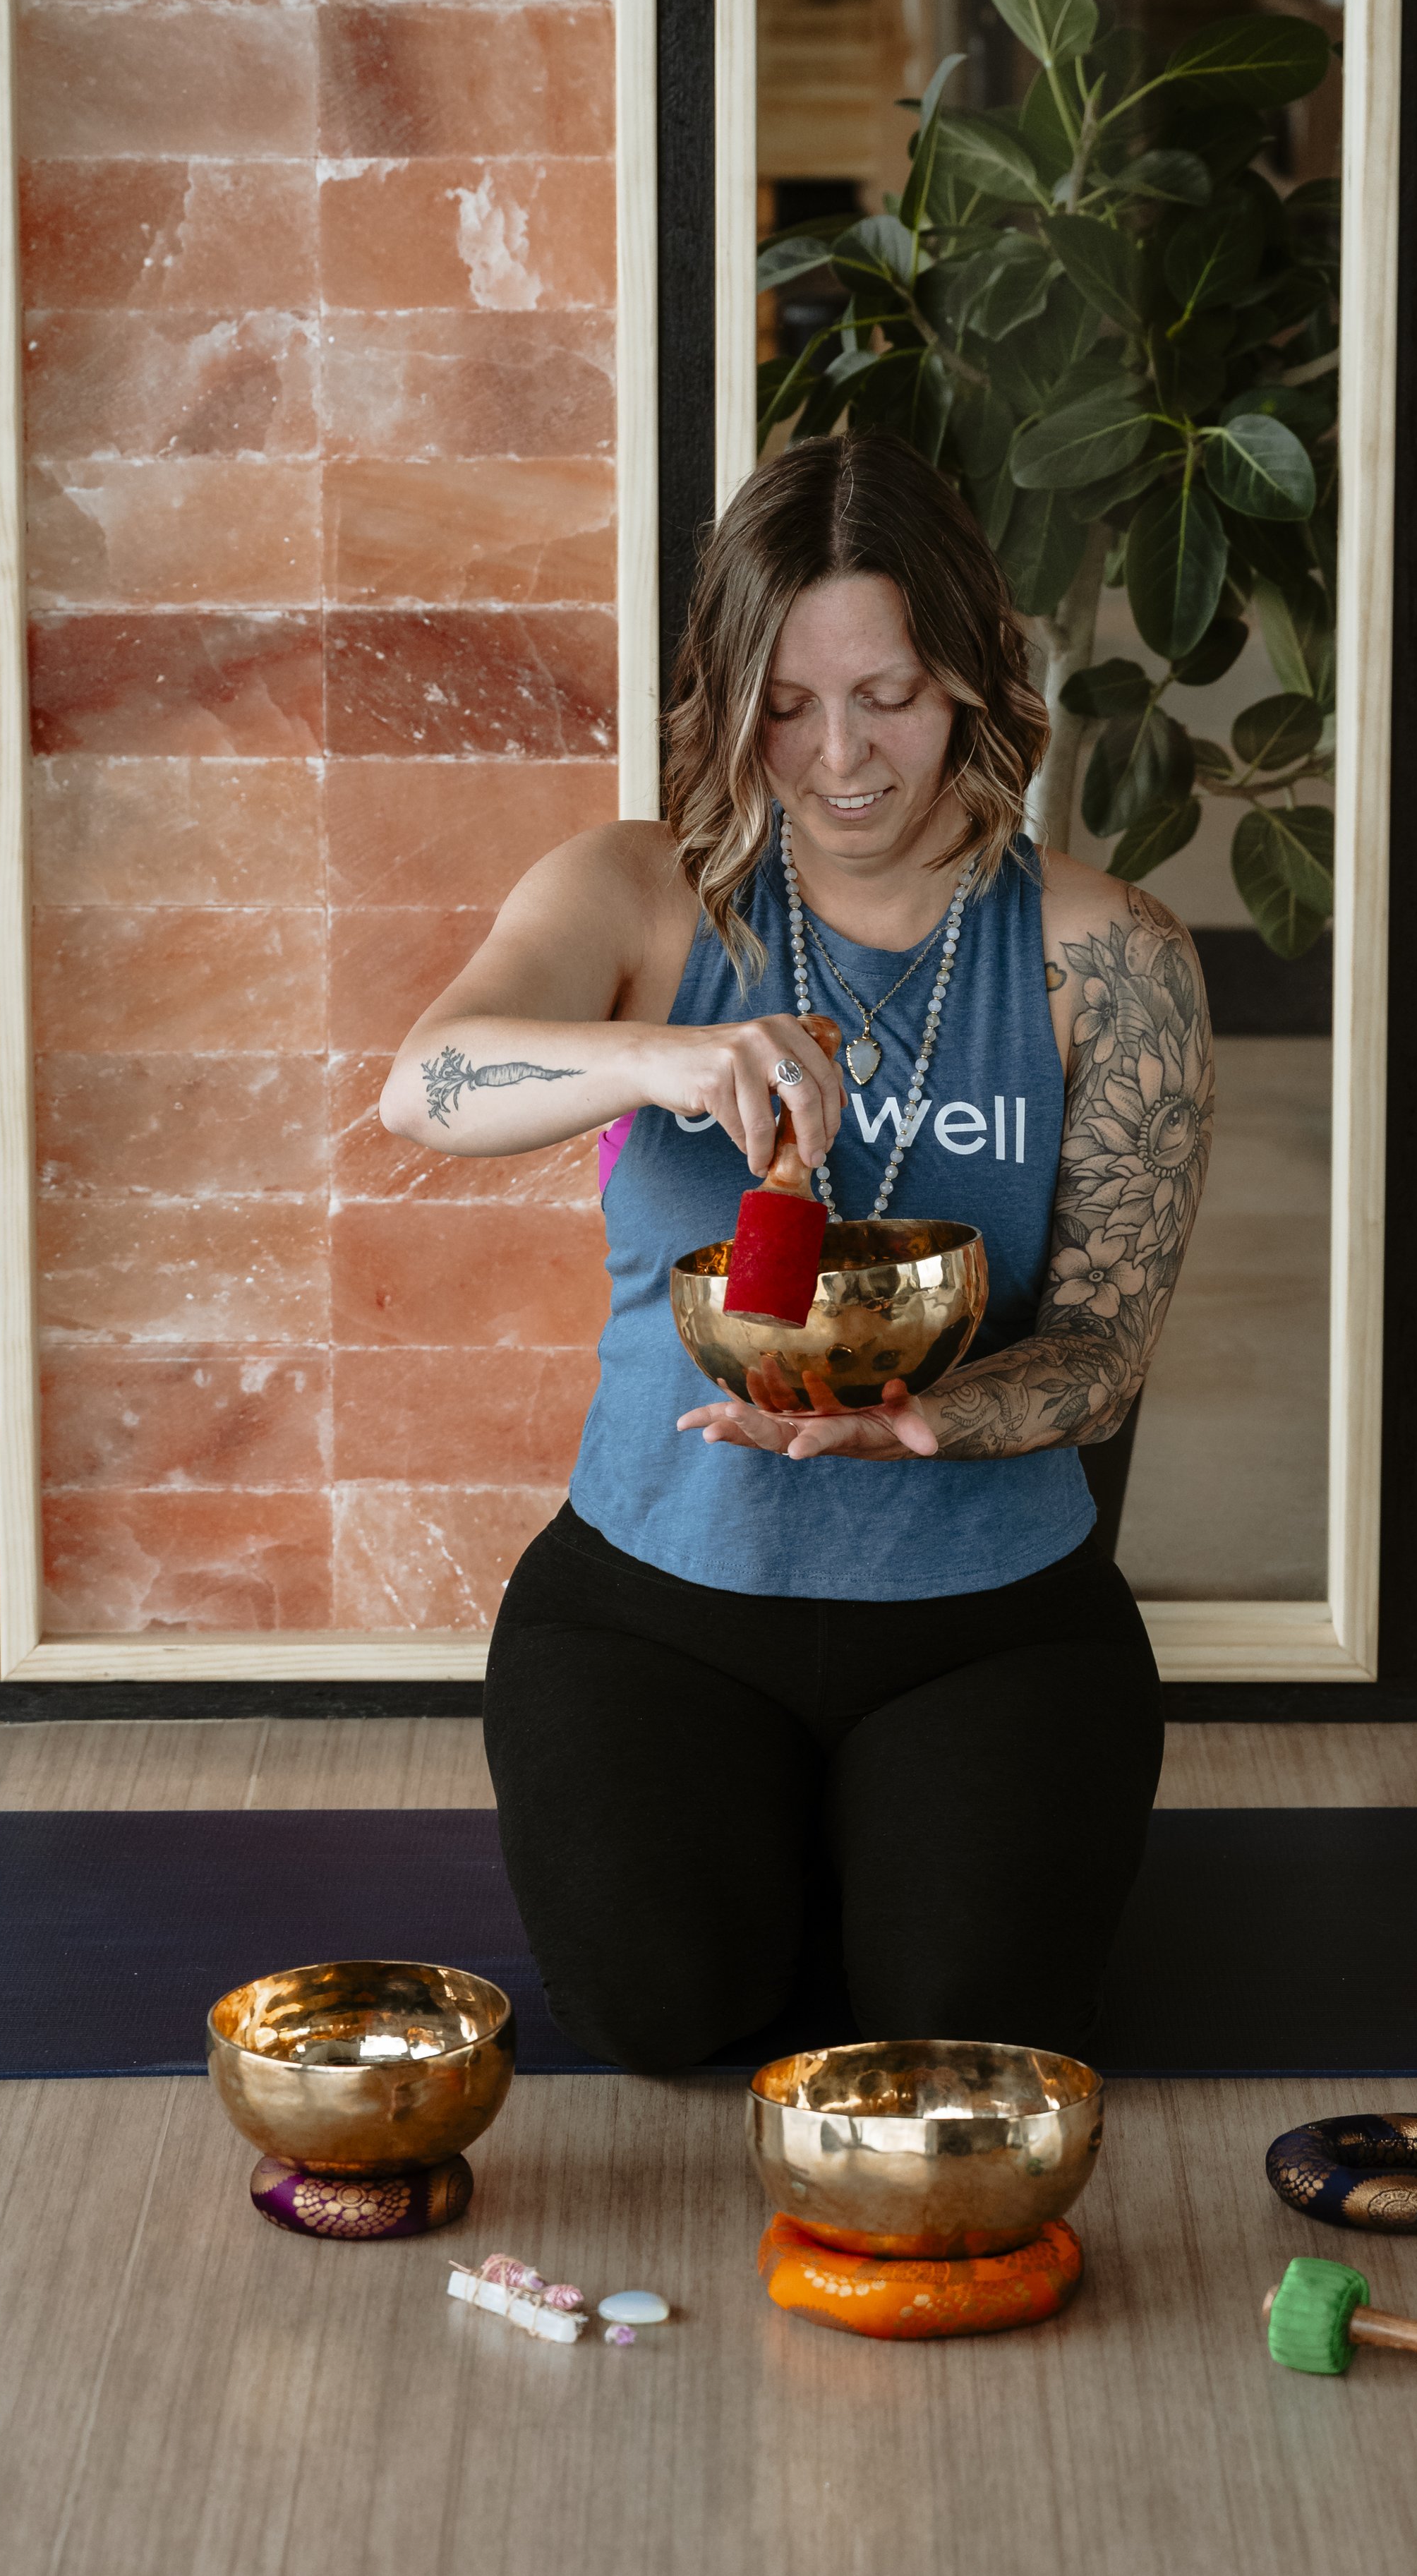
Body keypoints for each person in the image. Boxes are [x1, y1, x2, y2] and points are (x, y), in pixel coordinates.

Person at [381, 431, 1213, 2072]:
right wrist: (657, 1061)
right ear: (728, 699)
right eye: (783, 702)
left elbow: (1105, 1360)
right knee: (659, 2021)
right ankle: (792, 1843)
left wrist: (917, 1419)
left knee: (976, 2034)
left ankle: (883, 1838)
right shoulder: (638, 892)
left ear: (970, 678)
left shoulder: (1105, 955)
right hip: (651, 1607)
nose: (837, 756)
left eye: (886, 694)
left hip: (989, 1613)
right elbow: (420, 1087)